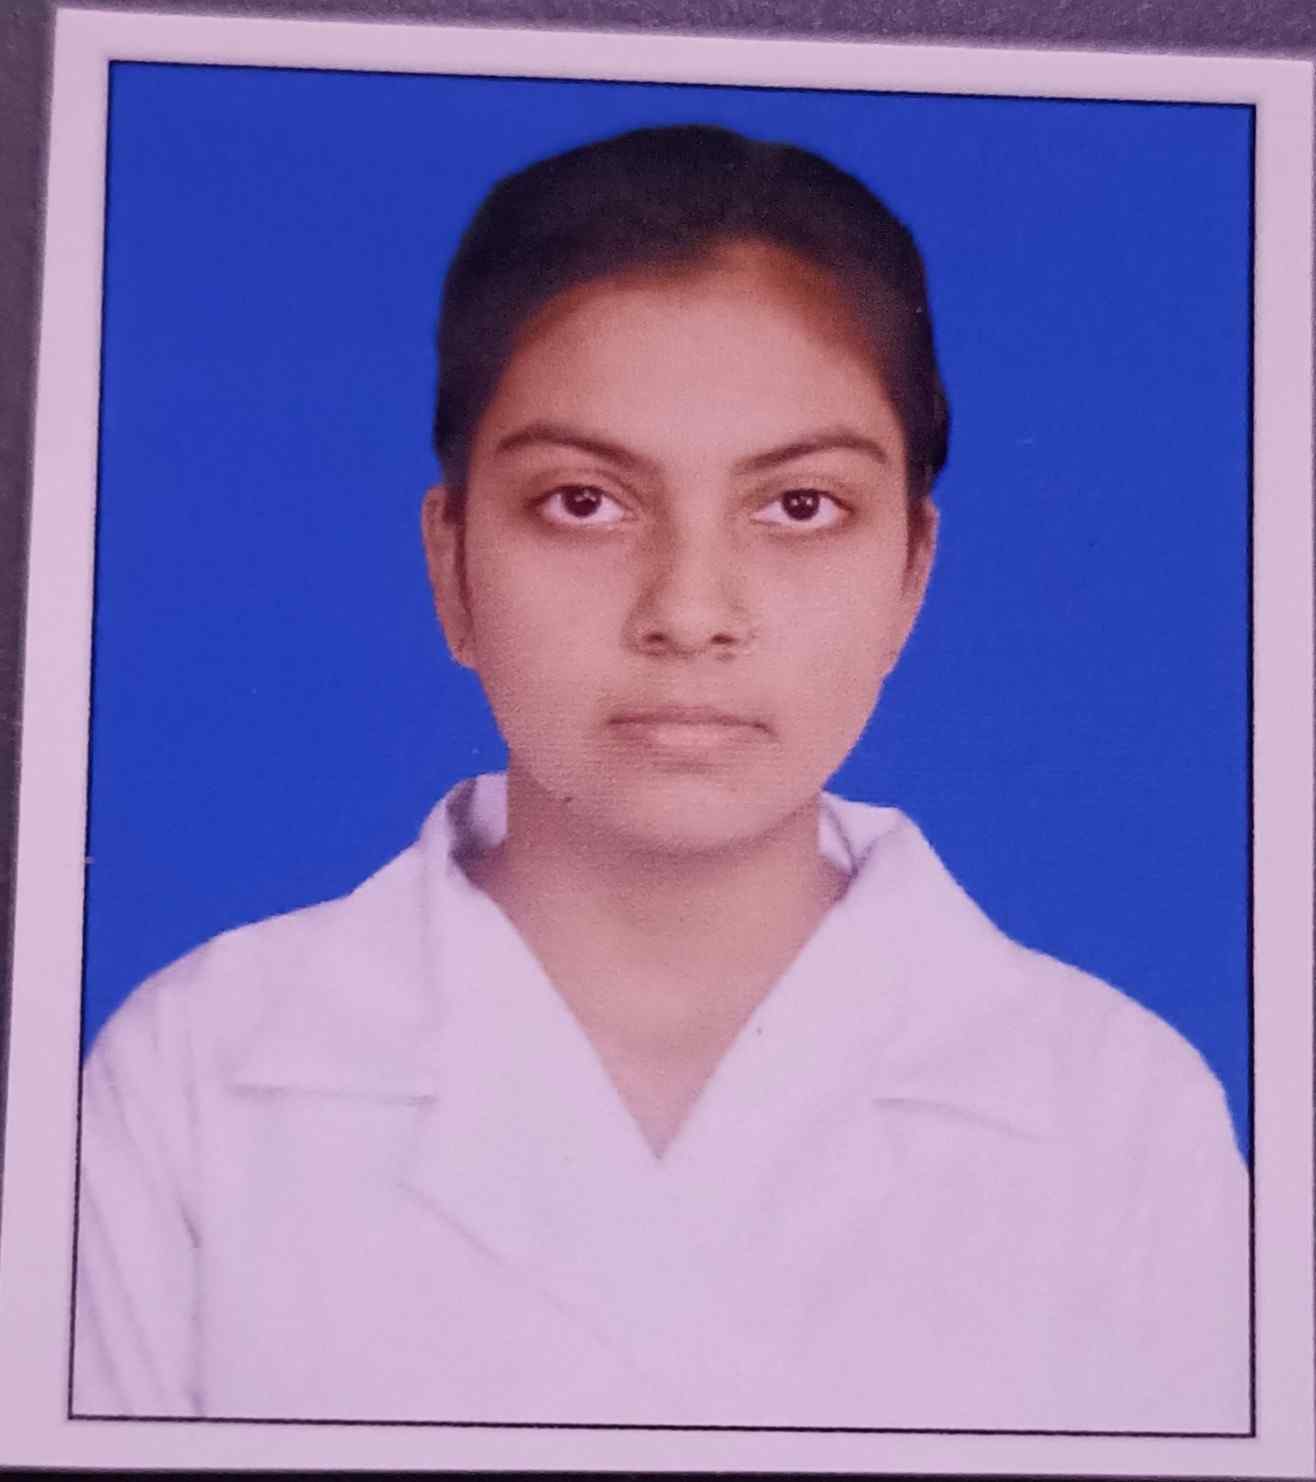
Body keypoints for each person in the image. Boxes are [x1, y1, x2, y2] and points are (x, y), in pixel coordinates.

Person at [73, 124, 1248, 1431]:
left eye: (798, 506)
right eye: (585, 501)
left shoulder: (1124, 1119)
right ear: (451, 563)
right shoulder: (193, 1078)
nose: (690, 612)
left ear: (912, 573)